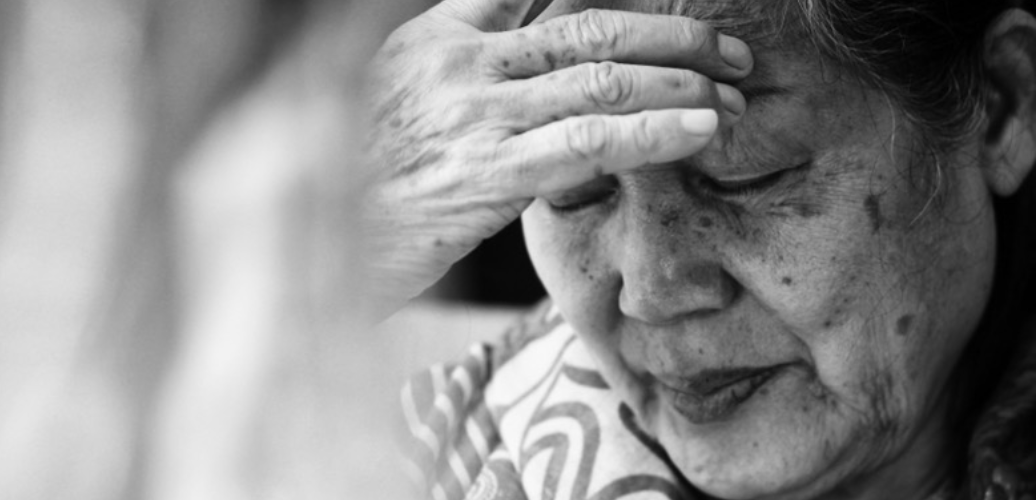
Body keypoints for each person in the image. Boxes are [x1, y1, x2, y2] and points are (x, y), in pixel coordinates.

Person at [364, 0, 1036, 497]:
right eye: (571, 190)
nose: (652, 292)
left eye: (746, 177)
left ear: (1003, 107)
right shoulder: (435, 455)